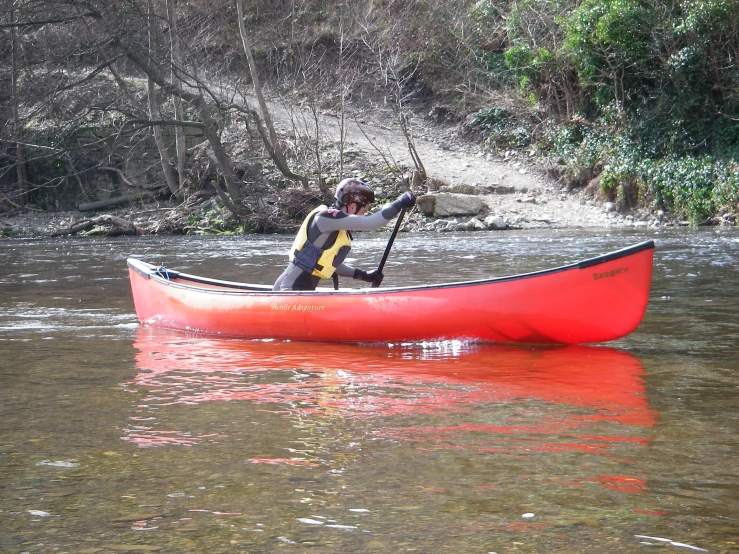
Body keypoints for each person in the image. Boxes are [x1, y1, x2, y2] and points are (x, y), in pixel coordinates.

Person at [273, 178, 416, 291]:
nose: (362, 215)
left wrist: (364, 276)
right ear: (352, 205)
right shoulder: (325, 218)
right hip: (287, 292)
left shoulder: (336, 228)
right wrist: (399, 203)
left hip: (298, 292)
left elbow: (331, 265)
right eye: (363, 211)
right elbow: (372, 223)